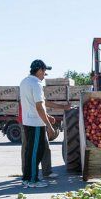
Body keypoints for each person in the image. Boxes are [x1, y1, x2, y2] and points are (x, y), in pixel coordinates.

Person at [19, 59, 57, 188]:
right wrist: (49, 125)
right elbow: (39, 106)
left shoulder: (24, 82)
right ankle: (33, 180)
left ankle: (26, 178)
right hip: (36, 123)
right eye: (44, 71)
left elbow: (31, 105)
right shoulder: (36, 84)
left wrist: (47, 117)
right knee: (36, 151)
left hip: (28, 121)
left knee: (30, 151)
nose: (44, 74)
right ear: (39, 70)